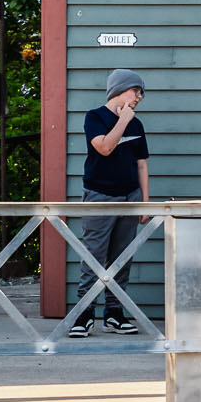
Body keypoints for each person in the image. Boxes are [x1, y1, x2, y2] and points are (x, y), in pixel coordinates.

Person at [71, 68, 150, 336]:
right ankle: (84, 314)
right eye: (135, 91)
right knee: (93, 256)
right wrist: (123, 121)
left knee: (122, 258)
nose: (139, 97)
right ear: (119, 89)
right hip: (99, 197)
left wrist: (145, 202)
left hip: (131, 198)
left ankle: (115, 314)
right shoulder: (94, 117)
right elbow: (104, 148)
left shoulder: (137, 125)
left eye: (141, 93)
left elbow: (142, 165)